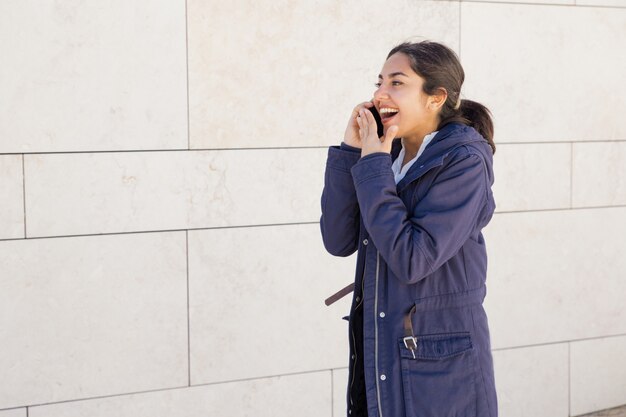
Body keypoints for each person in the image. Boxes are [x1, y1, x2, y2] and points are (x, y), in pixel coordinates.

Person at [320, 40, 498, 417]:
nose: (380, 93)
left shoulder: (463, 161)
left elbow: (413, 259)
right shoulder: (389, 153)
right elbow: (338, 240)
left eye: (397, 83)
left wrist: (372, 164)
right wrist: (352, 151)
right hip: (380, 350)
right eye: (379, 81)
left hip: (440, 369)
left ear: (436, 98)